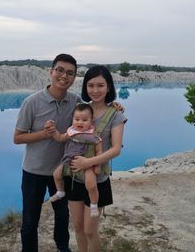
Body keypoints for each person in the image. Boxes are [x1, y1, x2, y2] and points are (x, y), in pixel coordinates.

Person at [13, 53, 79, 252]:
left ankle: (62, 247)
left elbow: (92, 115)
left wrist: (114, 106)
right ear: (50, 72)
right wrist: (44, 133)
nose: (64, 76)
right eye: (60, 70)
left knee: (62, 215)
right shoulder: (32, 102)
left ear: (74, 78)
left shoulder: (75, 101)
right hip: (34, 171)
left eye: (70, 73)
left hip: (61, 171)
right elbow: (17, 138)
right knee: (31, 220)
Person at [64, 65, 127, 252]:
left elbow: (116, 149)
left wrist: (88, 162)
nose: (95, 90)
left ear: (109, 87)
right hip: (75, 177)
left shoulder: (116, 115)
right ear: (85, 87)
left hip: (97, 180)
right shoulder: (81, 111)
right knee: (78, 228)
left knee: (91, 230)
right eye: (90, 85)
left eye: (100, 85)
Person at [47, 103, 103, 218]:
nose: (80, 122)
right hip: (68, 161)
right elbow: (60, 138)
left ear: (91, 120)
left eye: (84, 120)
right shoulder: (71, 132)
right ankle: (60, 191)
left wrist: (97, 165)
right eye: (76, 119)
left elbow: (99, 152)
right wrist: (53, 131)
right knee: (56, 174)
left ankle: (93, 204)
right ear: (72, 119)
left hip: (87, 164)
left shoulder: (93, 136)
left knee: (91, 185)